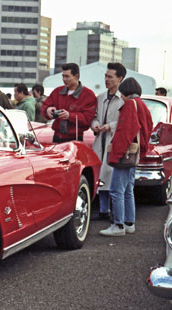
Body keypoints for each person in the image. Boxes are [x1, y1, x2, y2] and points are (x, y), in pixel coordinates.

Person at [100, 77, 153, 237]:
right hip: (135, 153)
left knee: (116, 190)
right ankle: (129, 223)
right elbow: (148, 127)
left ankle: (118, 225)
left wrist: (115, 155)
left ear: (125, 92)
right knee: (128, 189)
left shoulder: (130, 105)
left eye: (121, 93)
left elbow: (125, 131)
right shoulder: (142, 104)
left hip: (125, 153)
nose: (120, 96)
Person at [91, 62, 126, 220]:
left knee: (111, 175)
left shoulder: (123, 99)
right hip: (100, 140)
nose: (106, 79)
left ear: (120, 78)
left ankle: (114, 211)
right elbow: (94, 117)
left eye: (110, 77)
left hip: (114, 140)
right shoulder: (100, 97)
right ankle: (103, 210)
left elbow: (125, 121)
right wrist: (96, 125)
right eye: (106, 76)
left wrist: (109, 126)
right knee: (101, 175)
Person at [41, 63, 97, 143]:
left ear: (76, 76)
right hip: (57, 136)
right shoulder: (57, 92)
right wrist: (47, 110)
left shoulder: (88, 95)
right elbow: (45, 105)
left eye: (67, 76)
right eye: (63, 76)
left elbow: (88, 119)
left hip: (75, 138)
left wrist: (70, 116)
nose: (64, 79)